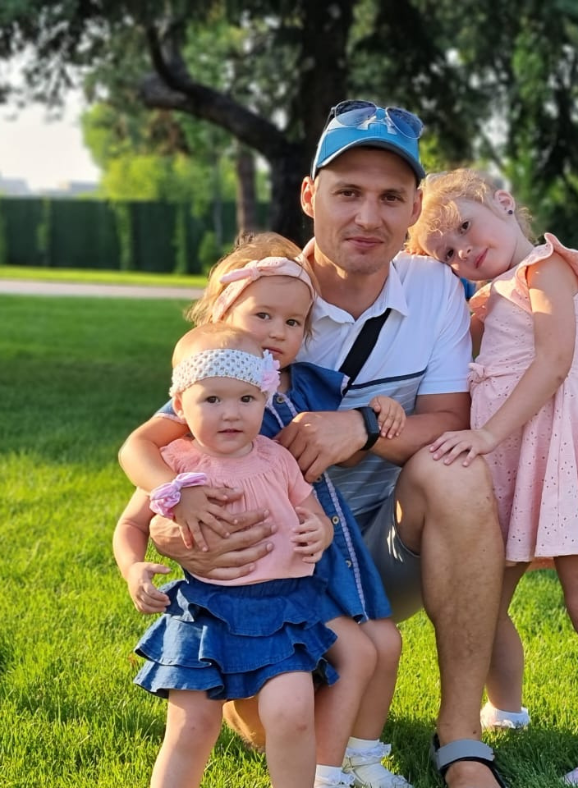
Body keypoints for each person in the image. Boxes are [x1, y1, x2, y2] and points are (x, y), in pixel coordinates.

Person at [120, 101, 507, 788]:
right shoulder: (260, 303)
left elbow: (450, 419)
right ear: (310, 195)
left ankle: (461, 741)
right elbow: (183, 435)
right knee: (273, 724)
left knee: (459, 472)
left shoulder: (437, 290)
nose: (368, 217)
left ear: (415, 208)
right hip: (270, 557)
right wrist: (173, 523)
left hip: (377, 548)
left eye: (391, 198)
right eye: (347, 192)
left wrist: (358, 426)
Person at [120, 233, 412, 787]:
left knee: (373, 647)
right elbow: (137, 452)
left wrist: (380, 411)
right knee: (204, 721)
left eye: (294, 323)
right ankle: (325, 761)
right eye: (263, 315)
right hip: (233, 586)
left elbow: (351, 419)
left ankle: (348, 759)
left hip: (310, 564)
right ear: (224, 313)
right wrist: (173, 495)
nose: (278, 332)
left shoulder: (304, 389)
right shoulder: (198, 404)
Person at [406, 168, 578, 787]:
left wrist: (487, 434)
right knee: (480, 603)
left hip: (559, 454)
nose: (463, 251)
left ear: (506, 204)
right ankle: (505, 711)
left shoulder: (547, 268)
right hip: (506, 464)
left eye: (465, 227)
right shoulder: (485, 299)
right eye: (447, 253)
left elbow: (553, 361)